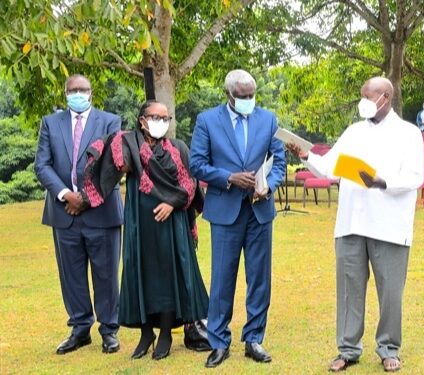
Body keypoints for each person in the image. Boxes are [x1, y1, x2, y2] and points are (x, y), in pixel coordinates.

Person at [287, 77, 424, 373]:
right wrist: (305, 155)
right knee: (349, 289)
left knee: (390, 292)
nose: (363, 100)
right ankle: (348, 348)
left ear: (385, 97)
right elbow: (330, 166)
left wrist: (381, 182)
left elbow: (415, 177)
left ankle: (389, 347)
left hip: (388, 224)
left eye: (368, 95)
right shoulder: (354, 132)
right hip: (351, 223)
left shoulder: (408, 133)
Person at [79, 100, 208, 361]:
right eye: (155, 117)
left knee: (169, 273)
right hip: (140, 218)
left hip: (172, 222)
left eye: (165, 118)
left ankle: (166, 335)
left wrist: (171, 203)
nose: (161, 122)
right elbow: (113, 158)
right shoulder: (129, 144)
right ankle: (146, 332)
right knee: (141, 271)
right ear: (141, 120)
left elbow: (190, 185)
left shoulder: (178, 147)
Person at [190, 69, 286, 368]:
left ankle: (254, 337)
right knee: (222, 279)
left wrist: (267, 185)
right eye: (242, 96)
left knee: (259, 277)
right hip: (225, 211)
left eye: (251, 95)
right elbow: (196, 164)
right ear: (228, 95)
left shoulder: (268, 119)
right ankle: (218, 341)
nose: (248, 100)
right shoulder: (207, 120)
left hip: (259, 211)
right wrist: (228, 177)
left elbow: (280, 161)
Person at [34, 74, 123, 355]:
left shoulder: (110, 121)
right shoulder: (50, 123)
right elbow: (42, 165)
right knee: (71, 274)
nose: (78, 93)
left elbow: (114, 165)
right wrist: (65, 195)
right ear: (65, 93)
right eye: (72, 89)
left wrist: (85, 198)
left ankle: (109, 329)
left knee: (106, 274)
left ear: (91, 92)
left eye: (82, 89)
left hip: (102, 211)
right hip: (63, 212)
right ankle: (80, 328)